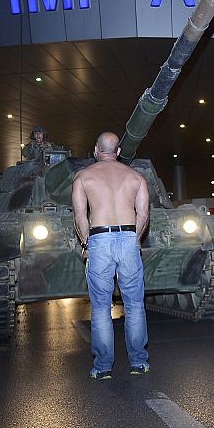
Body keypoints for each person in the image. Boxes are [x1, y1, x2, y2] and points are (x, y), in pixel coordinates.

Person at [72, 131, 151, 379]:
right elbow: (144, 214)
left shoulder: (83, 176)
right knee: (135, 305)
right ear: (117, 152)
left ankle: (103, 366)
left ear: (96, 150)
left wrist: (87, 243)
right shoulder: (136, 177)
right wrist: (135, 239)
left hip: (99, 240)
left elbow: (79, 216)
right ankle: (139, 362)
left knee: (100, 308)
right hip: (128, 238)